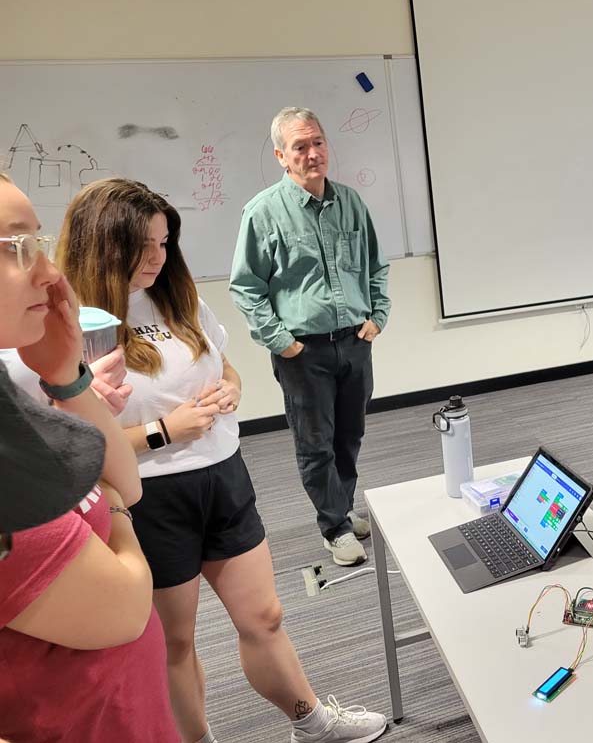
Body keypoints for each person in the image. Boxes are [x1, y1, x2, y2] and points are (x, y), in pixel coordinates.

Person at [59, 178, 388, 743]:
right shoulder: (74, 324)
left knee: (265, 619)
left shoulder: (178, 297)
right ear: (103, 244)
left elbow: (223, 365)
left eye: (165, 244)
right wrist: (164, 431)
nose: (157, 259)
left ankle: (310, 721)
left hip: (224, 476)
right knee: (176, 643)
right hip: (149, 497)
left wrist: (231, 389)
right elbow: (74, 439)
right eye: (143, 246)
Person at [0, 172, 178, 742]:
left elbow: (127, 479)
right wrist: (120, 512)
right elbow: (125, 605)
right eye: (16, 247)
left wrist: (66, 376)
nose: (50, 273)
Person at [230, 107, 391, 566]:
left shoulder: (351, 202)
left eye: (318, 142)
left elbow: (376, 264)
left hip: (355, 341)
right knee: (315, 442)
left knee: (349, 435)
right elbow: (246, 286)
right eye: (300, 147)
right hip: (304, 350)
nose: (313, 153)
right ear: (282, 156)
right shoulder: (263, 212)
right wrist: (281, 341)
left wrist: (378, 315)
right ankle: (334, 526)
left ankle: (341, 506)